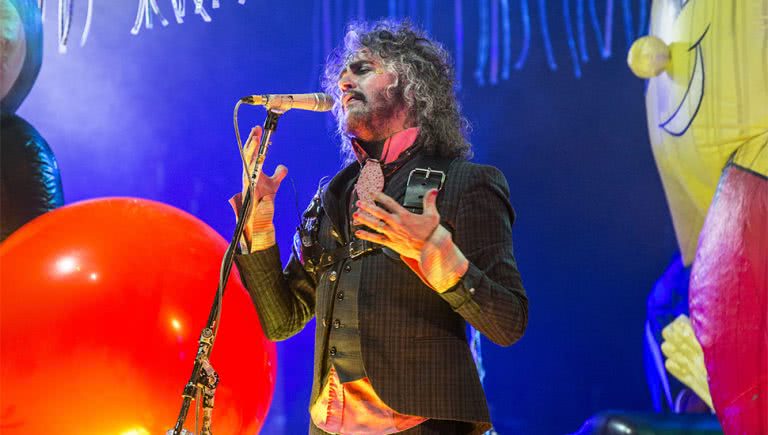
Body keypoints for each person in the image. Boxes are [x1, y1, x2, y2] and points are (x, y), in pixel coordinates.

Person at [231, 20, 528, 434]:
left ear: (411, 84)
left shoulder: (465, 182)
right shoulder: (333, 195)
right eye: (342, 75)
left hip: (421, 423)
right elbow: (283, 320)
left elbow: (509, 322)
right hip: (329, 424)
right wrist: (260, 229)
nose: (344, 79)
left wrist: (441, 258)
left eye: (363, 68)